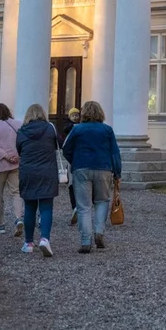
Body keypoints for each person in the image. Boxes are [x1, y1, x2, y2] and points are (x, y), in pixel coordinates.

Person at [62, 101, 122, 254]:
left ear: (84, 113)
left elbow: (66, 149)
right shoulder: (107, 130)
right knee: (102, 201)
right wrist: (117, 172)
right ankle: (99, 232)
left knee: (83, 206)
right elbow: (115, 153)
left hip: (81, 168)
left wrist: (75, 162)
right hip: (104, 168)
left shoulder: (77, 129)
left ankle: (85, 241)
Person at [16, 104, 59, 257]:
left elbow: (19, 150)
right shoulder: (50, 129)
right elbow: (57, 144)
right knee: (46, 207)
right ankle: (44, 239)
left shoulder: (21, 131)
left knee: (29, 207)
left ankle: (28, 243)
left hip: (28, 172)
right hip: (47, 172)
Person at [0, 103, 24, 236]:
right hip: (15, 163)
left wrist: (6, 156)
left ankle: (0, 224)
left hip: (0, 165)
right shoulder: (18, 124)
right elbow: (22, 142)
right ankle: (18, 218)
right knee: (16, 192)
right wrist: (16, 156)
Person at [62, 107, 80, 226]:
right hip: (75, 159)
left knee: (73, 185)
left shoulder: (81, 127)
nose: (75, 117)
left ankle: (76, 207)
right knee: (73, 185)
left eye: (76, 115)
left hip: (75, 159)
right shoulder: (70, 127)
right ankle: (76, 208)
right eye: (73, 115)